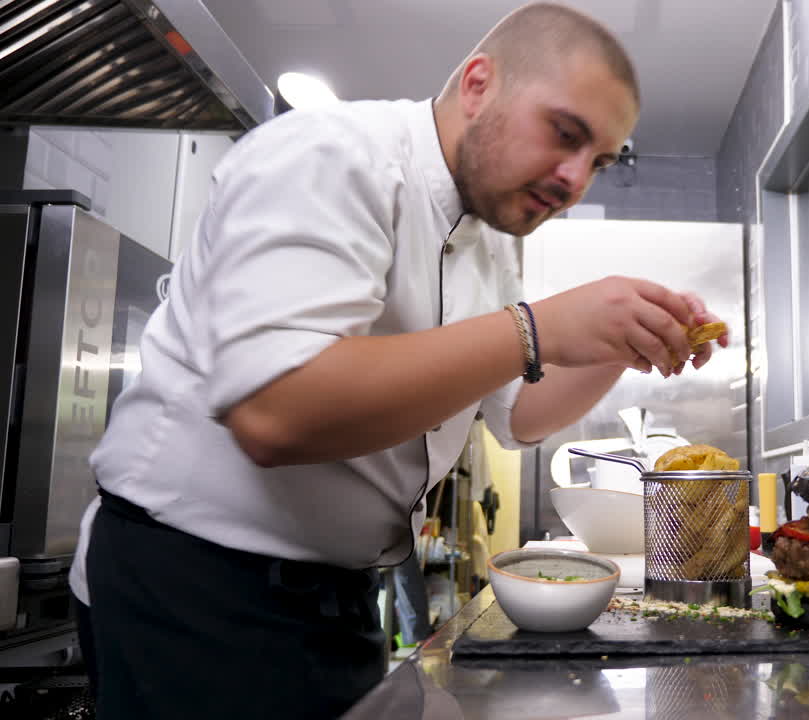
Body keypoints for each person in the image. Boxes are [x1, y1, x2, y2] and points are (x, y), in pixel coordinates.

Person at [70, 3, 728, 718]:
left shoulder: (491, 235)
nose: (575, 180)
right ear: (479, 84)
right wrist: (536, 329)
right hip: (193, 585)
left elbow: (520, 415)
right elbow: (275, 412)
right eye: (564, 134)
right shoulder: (331, 156)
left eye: (598, 161)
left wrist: (617, 342)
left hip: (338, 597)